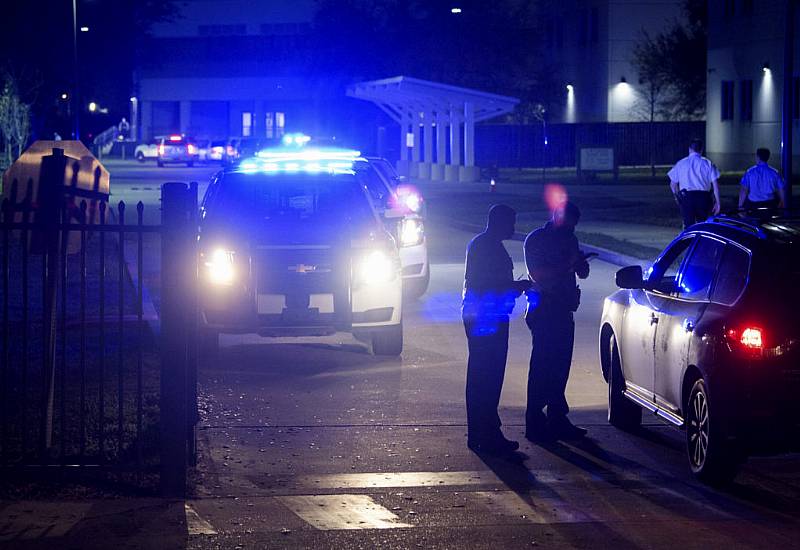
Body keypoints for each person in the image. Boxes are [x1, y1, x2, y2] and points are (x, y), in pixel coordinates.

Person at [463, 204, 531, 455]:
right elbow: (486, 283)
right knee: (487, 376)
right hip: (486, 317)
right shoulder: (486, 246)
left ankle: (481, 432)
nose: (513, 228)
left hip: (486, 315)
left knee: (483, 376)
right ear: (499, 222)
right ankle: (487, 434)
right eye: (510, 223)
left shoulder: (484, 244)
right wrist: (516, 286)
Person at [524, 201, 591, 442]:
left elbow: (580, 272)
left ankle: (557, 417)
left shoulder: (570, 239)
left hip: (564, 308)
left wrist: (581, 265)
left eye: (573, 227)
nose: (570, 231)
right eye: (568, 225)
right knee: (542, 364)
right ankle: (534, 420)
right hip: (544, 308)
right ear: (557, 217)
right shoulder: (537, 239)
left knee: (561, 365)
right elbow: (538, 274)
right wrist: (569, 264)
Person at [668, 139, 721, 228]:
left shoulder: (681, 163)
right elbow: (716, 186)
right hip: (704, 198)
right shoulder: (708, 163)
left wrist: (677, 197)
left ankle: (688, 241)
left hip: (686, 198)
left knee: (688, 227)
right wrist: (718, 203)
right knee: (703, 225)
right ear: (701, 150)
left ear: (689, 149)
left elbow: (673, 184)